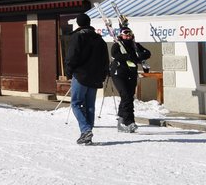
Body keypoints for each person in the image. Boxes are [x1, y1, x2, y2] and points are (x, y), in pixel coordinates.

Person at [64, 13, 109, 145]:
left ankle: (85, 130)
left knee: (76, 103)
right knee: (90, 105)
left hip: (81, 75)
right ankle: (87, 132)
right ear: (89, 23)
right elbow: (105, 59)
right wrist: (103, 74)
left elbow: (72, 56)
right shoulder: (99, 39)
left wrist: (68, 72)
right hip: (95, 76)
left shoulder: (78, 36)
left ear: (78, 23)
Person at [109, 26, 152, 133]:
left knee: (128, 97)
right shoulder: (117, 45)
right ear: (121, 35)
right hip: (119, 74)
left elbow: (147, 53)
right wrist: (130, 57)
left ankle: (121, 121)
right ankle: (129, 121)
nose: (127, 37)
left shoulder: (135, 45)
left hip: (131, 74)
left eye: (129, 34)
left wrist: (139, 56)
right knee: (126, 95)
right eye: (125, 34)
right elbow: (116, 55)